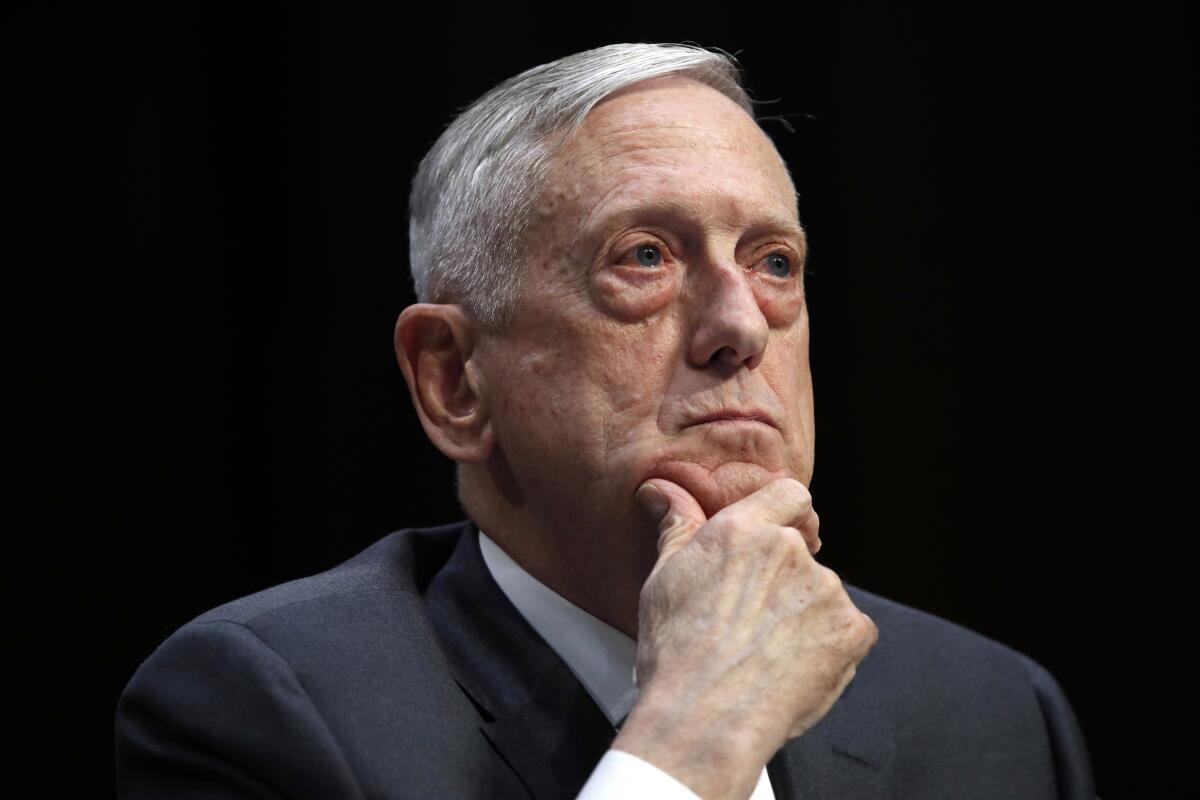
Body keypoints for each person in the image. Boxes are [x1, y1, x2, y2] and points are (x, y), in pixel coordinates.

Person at [116, 43, 1095, 799]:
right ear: (455, 379)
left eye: (774, 263)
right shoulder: (269, 707)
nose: (740, 327)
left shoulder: (991, 714)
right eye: (645, 258)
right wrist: (689, 741)